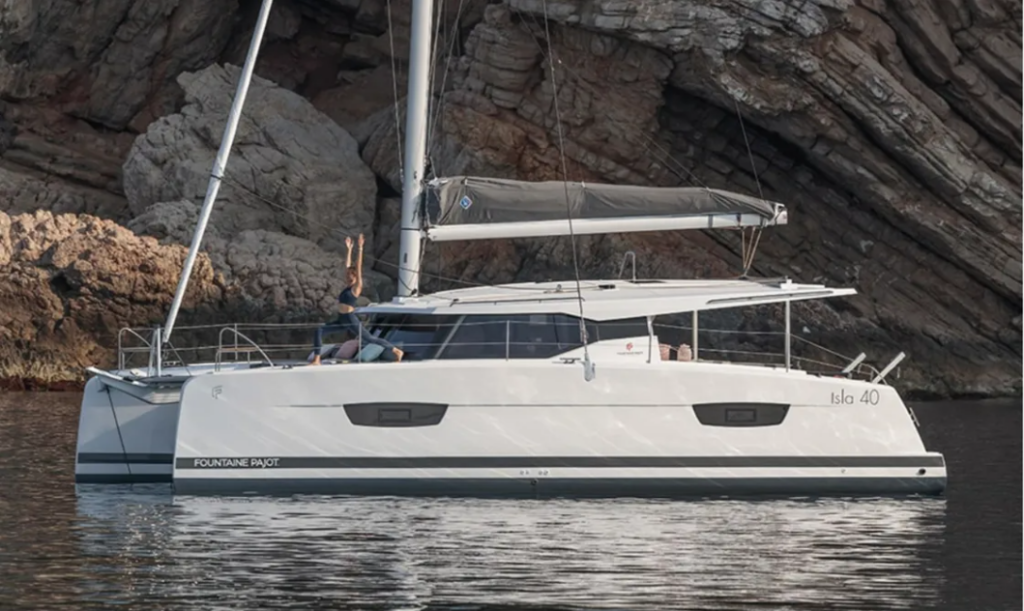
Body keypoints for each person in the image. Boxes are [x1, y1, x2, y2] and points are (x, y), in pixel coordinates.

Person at [310, 234, 403, 365]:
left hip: (350, 318)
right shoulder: (348, 286)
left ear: (355, 277)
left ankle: (396, 351)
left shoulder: (357, 287)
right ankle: (317, 359)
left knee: (370, 339)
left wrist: (360, 248)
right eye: (347, 275)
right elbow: (347, 266)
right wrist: (349, 249)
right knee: (319, 331)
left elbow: (358, 267)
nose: (348, 277)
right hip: (341, 319)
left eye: (351, 276)